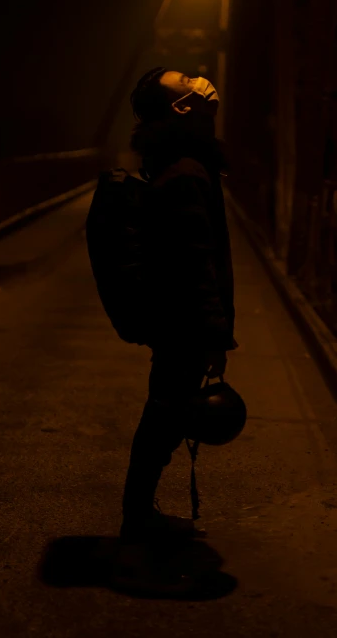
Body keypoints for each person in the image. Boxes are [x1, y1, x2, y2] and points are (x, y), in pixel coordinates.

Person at [114, 67, 236, 587]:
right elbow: (196, 259)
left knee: (164, 413)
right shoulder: (188, 169)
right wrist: (214, 335)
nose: (199, 79)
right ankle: (137, 519)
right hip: (185, 322)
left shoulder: (175, 163)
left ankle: (138, 512)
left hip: (174, 317)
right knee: (165, 415)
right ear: (181, 108)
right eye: (184, 78)